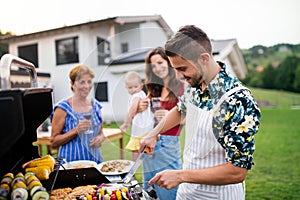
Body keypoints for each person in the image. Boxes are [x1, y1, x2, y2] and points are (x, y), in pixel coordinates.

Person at [140, 25, 261, 200]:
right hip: (187, 192)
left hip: (220, 196)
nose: (180, 76)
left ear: (204, 58)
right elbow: (180, 110)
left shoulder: (238, 100)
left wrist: (180, 176)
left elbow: (237, 171)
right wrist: (153, 133)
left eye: (182, 69)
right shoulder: (194, 86)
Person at [138, 47, 185, 200]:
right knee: (149, 192)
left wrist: (171, 116)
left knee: (168, 192)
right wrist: (141, 108)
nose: (157, 68)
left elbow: (191, 117)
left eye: (160, 62)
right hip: (151, 143)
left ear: (169, 62)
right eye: (153, 66)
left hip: (168, 144)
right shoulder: (154, 89)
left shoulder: (181, 86)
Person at [50, 64, 105, 164]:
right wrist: (76, 130)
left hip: (96, 163)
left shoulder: (96, 105)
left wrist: (100, 138)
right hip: (71, 166)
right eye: (82, 82)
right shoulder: (63, 108)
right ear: (72, 84)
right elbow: (53, 142)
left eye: (89, 82)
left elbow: (101, 132)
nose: (87, 86)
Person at [120, 71, 154, 161]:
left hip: (140, 127)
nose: (133, 89)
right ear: (126, 88)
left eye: (136, 86)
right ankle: (148, 159)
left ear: (141, 86)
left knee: (135, 148)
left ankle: (134, 165)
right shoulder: (143, 93)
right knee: (145, 146)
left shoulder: (137, 95)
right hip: (147, 126)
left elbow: (133, 108)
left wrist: (126, 122)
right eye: (130, 87)